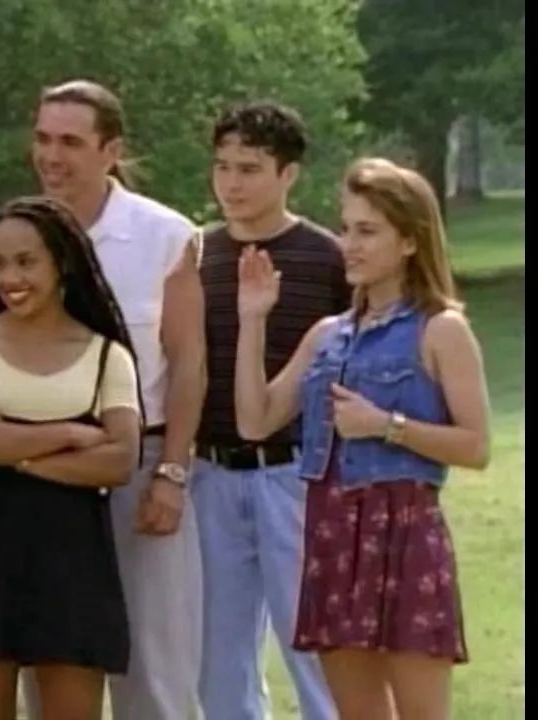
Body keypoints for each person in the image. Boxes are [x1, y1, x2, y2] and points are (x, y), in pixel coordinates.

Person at [233, 157, 490, 720]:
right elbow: (256, 421)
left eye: (367, 231)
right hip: (332, 533)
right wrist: (253, 320)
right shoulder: (328, 335)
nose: (348, 244)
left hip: (404, 532)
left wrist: (386, 425)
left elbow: (476, 446)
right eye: (346, 228)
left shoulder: (441, 329)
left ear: (410, 241)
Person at [24, 79, 208, 720]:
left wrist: (172, 473)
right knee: (51, 661)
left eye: (70, 142)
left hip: (140, 464)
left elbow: (188, 363)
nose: (52, 156)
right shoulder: (20, 233)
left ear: (111, 150)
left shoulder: (167, 236)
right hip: (43, 470)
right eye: (43, 139)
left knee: (153, 668)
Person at [0, 195, 142, 720]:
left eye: (26, 262)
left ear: (62, 262)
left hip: (74, 557)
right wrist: (71, 433)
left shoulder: (107, 356)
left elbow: (120, 460)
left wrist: (13, 450)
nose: (9, 278)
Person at [193, 101, 345, 720]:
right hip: (209, 472)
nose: (231, 183)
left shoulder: (329, 258)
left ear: (288, 174)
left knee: (314, 647)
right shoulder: (195, 255)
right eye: (222, 167)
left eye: (249, 169)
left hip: (297, 473)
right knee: (217, 656)